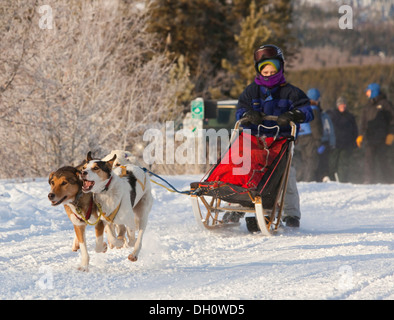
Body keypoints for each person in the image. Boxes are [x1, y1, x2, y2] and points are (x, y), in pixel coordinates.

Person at [236, 44, 313, 227]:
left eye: (272, 71)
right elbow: (240, 110)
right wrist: (247, 115)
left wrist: (294, 115)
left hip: (281, 143)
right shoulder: (251, 91)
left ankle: (291, 213)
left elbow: (307, 110)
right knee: (241, 169)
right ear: (259, 71)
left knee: (287, 176)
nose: (269, 75)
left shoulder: (291, 92)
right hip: (256, 141)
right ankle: (237, 205)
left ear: (280, 68)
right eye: (266, 72)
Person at [357, 83, 394, 183]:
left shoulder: (385, 104)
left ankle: (390, 181)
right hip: (370, 138)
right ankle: (368, 180)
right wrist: (360, 135)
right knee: (368, 160)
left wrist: (391, 134)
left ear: (373, 91)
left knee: (383, 160)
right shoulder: (367, 106)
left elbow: (392, 121)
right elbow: (363, 122)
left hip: (383, 138)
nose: (366, 94)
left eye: (368, 91)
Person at [293, 88, 323, 182]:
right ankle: (309, 179)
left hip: (300, 136)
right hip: (310, 137)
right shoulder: (314, 109)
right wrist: (318, 140)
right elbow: (315, 126)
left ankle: (302, 178)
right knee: (311, 159)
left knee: (304, 159)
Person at [328, 97, 358, 182]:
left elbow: (355, 130)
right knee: (332, 163)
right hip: (335, 144)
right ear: (338, 105)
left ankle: (343, 180)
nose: (343, 106)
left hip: (346, 144)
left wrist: (354, 142)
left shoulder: (350, 117)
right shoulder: (332, 115)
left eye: (344, 104)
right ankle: (331, 180)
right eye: (341, 104)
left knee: (343, 164)